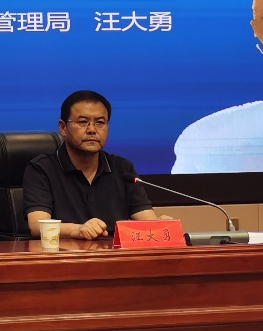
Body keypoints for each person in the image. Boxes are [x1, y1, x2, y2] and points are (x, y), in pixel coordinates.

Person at [23, 90, 160, 240]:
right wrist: (77, 230)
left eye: (100, 122)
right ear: (63, 127)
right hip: (65, 252)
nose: (92, 130)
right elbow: (37, 226)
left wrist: (161, 225)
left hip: (112, 252)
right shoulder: (42, 168)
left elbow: (147, 219)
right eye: (83, 122)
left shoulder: (122, 169)